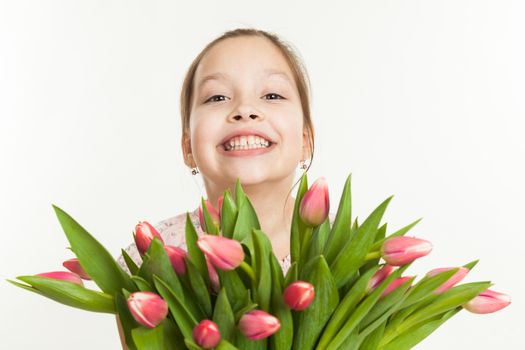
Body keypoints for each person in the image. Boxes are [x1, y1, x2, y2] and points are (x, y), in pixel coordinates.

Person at [116, 27, 335, 348]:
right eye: (217, 97)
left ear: (305, 141)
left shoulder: (339, 254)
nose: (245, 110)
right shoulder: (154, 255)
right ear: (188, 146)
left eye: (272, 95)